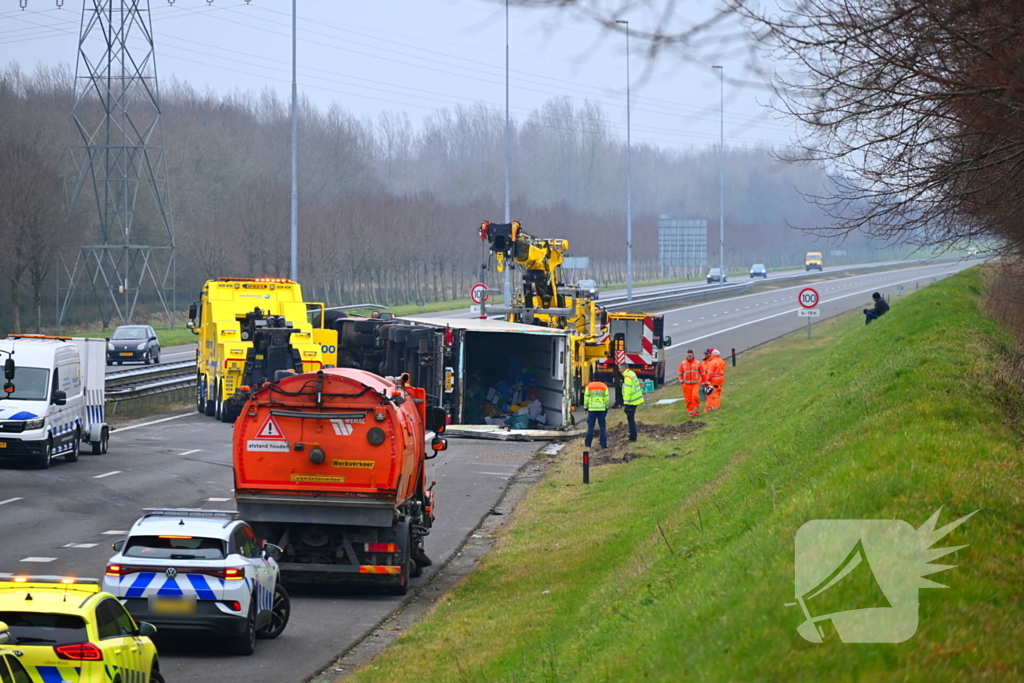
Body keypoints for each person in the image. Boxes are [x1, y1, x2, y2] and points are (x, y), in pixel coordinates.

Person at [619, 362, 644, 441]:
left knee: (630, 419)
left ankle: (633, 436)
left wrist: (625, 403)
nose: (619, 370)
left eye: (620, 369)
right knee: (631, 418)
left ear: (623, 369)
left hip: (632, 401)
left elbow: (628, 390)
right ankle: (632, 434)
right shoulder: (631, 373)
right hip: (635, 399)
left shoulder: (627, 377)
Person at [583, 379, 610, 450]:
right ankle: (603, 444)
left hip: (592, 409)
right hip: (601, 408)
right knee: (602, 426)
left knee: (591, 426)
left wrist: (586, 407)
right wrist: (606, 407)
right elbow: (607, 398)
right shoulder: (604, 386)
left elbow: (586, 398)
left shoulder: (589, 386)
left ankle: (588, 444)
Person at [677, 350, 703, 418]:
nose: (689, 357)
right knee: (688, 399)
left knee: (695, 397)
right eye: (688, 356)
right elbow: (679, 374)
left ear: (693, 355)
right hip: (686, 385)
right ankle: (690, 413)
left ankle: (696, 412)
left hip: (695, 384)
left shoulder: (698, 363)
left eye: (690, 356)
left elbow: (703, 374)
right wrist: (682, 382)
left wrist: (704, 382)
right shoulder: (683, 364)